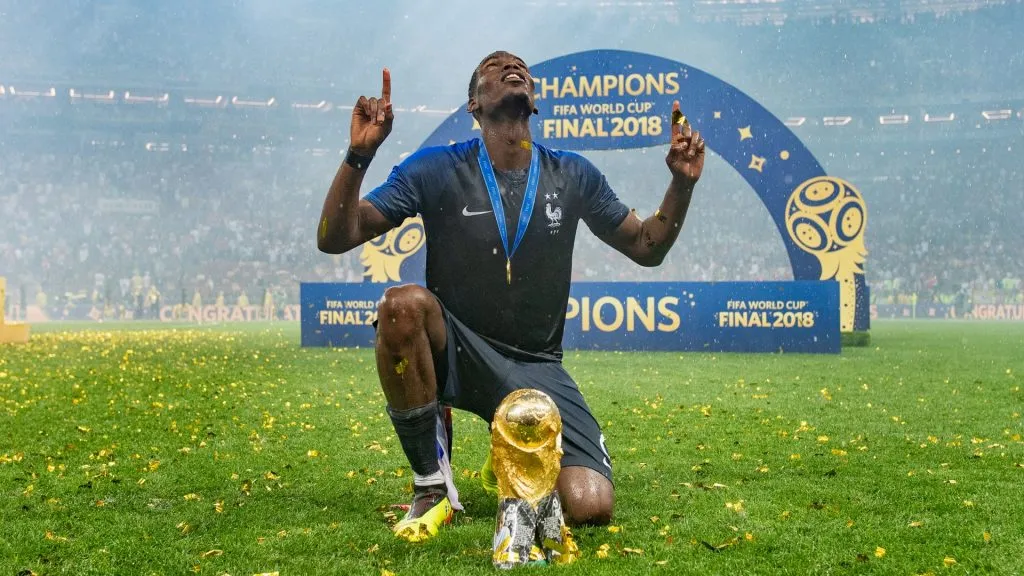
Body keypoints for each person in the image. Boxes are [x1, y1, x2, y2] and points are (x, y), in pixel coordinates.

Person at [317, 51, 705, 542]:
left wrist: (681, 184)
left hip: (536, 364)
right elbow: (336, 236)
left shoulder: (573, 174)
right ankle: (432, 487)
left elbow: (647, 246)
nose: (510, 67)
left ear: (534, 102)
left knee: (590, 506)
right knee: (400, 306)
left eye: (519, 66)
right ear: (474, 105)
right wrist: (359, 155)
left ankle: (511, 443)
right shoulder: (436, 168)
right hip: (456, 349)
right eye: (493, 67)